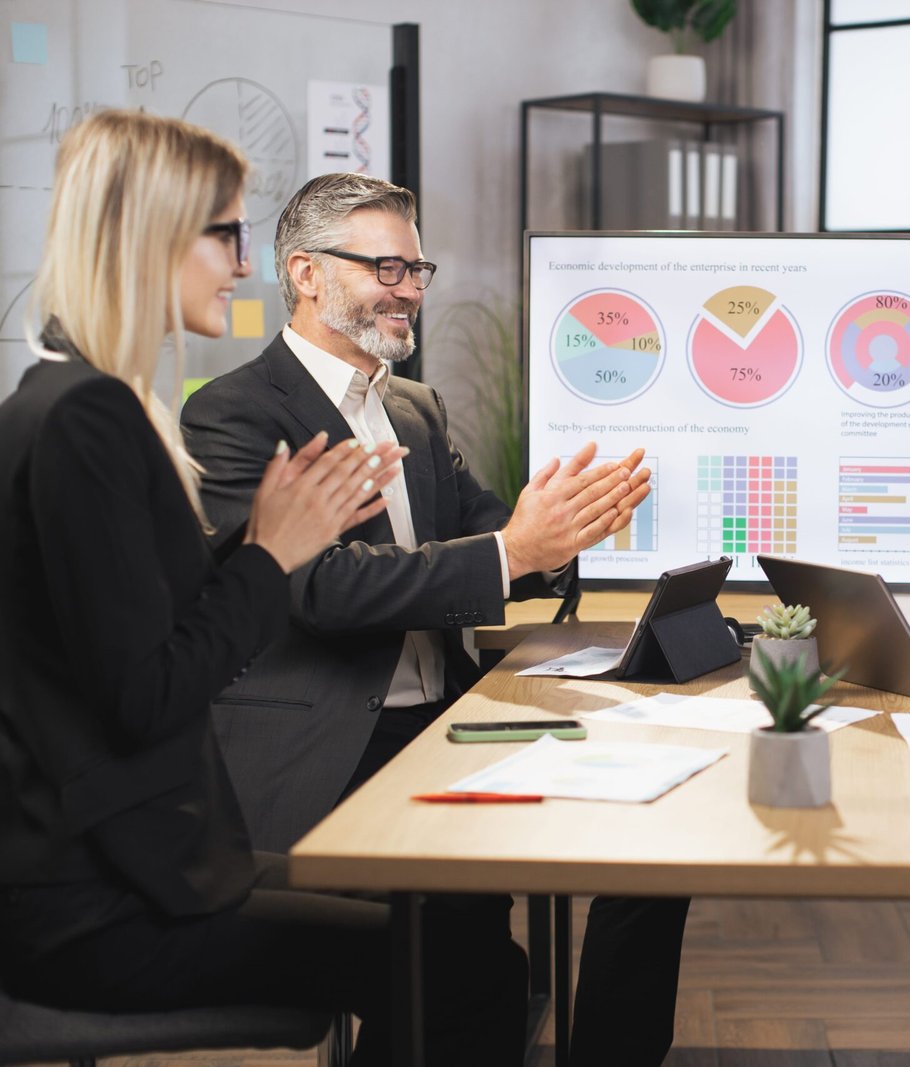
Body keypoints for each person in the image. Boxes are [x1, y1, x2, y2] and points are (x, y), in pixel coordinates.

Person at [0, 109, 525, 1064]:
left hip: (107, 867)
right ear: (151, 233)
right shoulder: (87, 420)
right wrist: (272, 554)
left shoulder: (83, 404)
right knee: (468, 976)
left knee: (463, 960)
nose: (241, 264)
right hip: (90, 900)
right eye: (225, 234)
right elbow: (149, 692)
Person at [181, 171, 687, 1066]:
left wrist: (559, 536)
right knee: (469, 978)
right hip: (331, 755)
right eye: (387, 266)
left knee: (650, 857)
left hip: (448, 729)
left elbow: (490, 534)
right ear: (305, 273)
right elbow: (320, 589)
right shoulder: (232, 414)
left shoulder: (412, 407)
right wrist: (515, 551)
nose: (411, 289)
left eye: (419, 268)